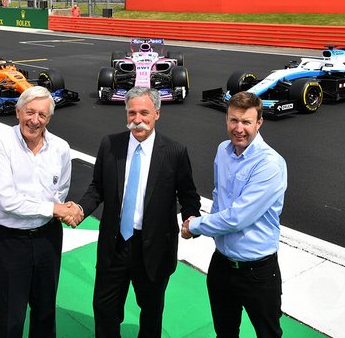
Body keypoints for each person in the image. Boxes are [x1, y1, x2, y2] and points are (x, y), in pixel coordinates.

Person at [68, 87, 201, 338]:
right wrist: (82, 208)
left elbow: (189, 196)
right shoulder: (110, 145)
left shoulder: (174, 152)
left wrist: (190, 218)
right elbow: (97, 187)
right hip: (114, 246)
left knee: (151, 316)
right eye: (131, 113)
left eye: (144, 113)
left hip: (154, 250)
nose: (137, 120)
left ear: (157, 114)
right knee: (105, 311)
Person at [182, 91, 287, 338]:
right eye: (233, 120)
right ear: (226, 119)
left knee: (268, 334)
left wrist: (195, 226)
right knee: (225, 333)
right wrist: (207, 224)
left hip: (258, 272)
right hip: (222, 264)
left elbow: (238, 217)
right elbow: (220, 196)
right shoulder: (222, 151)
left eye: (246, 122)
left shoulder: (270, 164)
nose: (239, 128)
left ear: (259, 123)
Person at [0, 86, 76, 338]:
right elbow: (7, 201)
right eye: (30, 112)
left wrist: (60, 208)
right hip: (10, 242)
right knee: (10, 319)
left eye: (42, 115)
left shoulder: (61, 148)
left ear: (49, 118)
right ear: (17, 112)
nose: (35, 120)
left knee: (46, 314)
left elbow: (61, 190)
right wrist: (55, 209)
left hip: (48, 238)